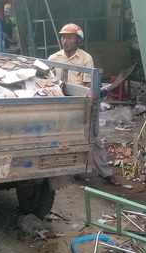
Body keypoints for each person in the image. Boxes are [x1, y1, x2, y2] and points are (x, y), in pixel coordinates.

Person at [47, 23, 121, 186]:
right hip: (60, 102)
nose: (65, 41)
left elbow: (89, 85)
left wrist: (82, 102)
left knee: (93, 137)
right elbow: (46, 78)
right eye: (63, 37)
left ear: (77, 40)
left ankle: (106, 173)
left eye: (70, 37)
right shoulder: (54, 58)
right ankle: (71, 170)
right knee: (63, 139)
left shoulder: (85, 58)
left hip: (82, 103)